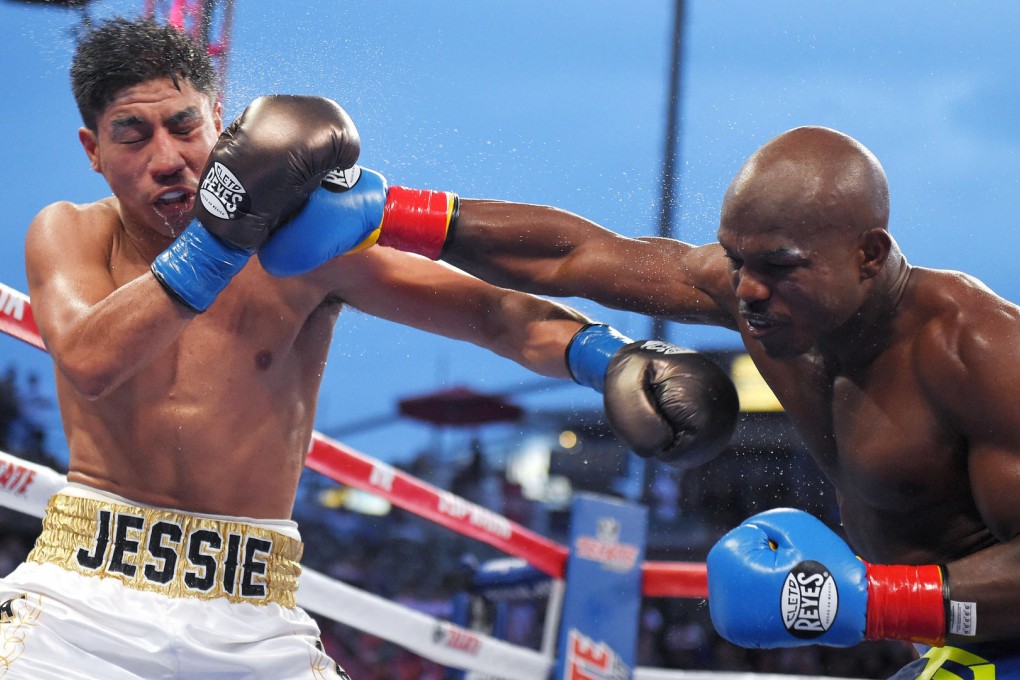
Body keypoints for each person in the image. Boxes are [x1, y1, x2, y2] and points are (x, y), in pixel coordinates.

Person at [0, 16, 738, 679]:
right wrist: (221, 237)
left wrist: (607, 358)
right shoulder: (71, 232)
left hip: (253, 614)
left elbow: (491, 315)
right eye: (132, 134)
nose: (166, 157)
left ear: (219, 122)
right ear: (93, 150)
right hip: (81, 602)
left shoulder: (306, 245)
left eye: (184, 127)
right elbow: (90, 361)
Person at [303, 126, 1020, 676]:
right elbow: (574, 257)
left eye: (775, 267)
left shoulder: (979, 353)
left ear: (870, 254)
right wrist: (391, 213)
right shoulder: (763, 300)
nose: (746, 291)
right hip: (961, 648)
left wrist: (866, 601)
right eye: (735, 261)